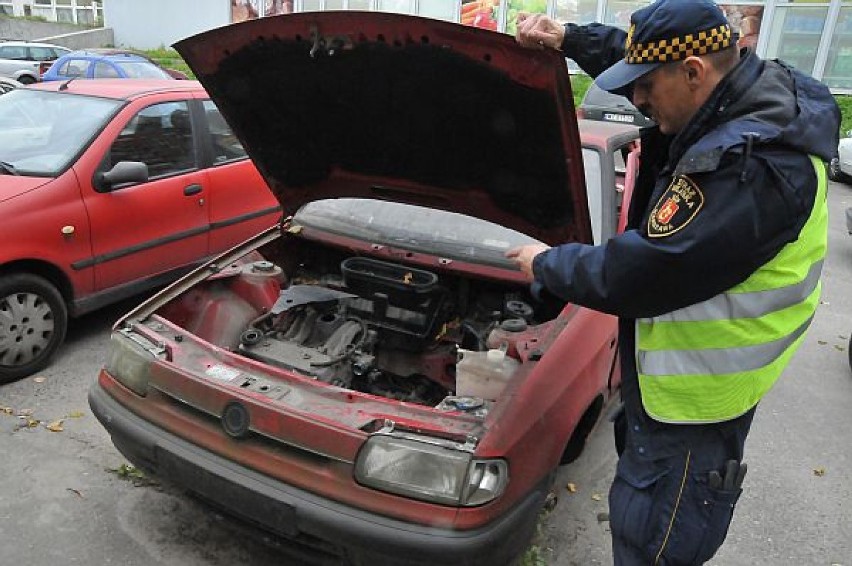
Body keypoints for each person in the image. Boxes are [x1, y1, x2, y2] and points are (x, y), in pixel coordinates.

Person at [508, 0, 840, 564]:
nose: (636, 100)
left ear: (694, 71)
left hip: (695, 411)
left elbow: (641, 271)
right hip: (679, 386)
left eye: (646, 87)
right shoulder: (736, 85)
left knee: (652, 543)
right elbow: (636, 58)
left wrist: (543, 262)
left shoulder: (753, 168)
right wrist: (566, 37)